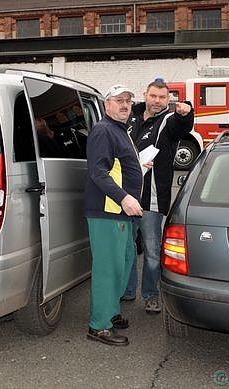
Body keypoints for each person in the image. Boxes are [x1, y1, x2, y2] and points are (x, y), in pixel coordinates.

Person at [123, 78, 194, 313]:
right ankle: (128, 289)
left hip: (151, 199)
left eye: (162, 97)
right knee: (127, 248)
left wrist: (185, 114)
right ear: (146, 95)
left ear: (168, 100)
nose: (157, 101)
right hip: (125, 196)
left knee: (153, 252)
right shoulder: (130, 117)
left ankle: (151, 295)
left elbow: (180, 127)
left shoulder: (168, 120)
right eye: (153, 96)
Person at [83, 84, 144, 346]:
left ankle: (111, 312)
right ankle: (99, 326)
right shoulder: (103, 130)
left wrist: (140, 166)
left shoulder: (119, 130)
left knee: (124, 262)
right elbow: (98, 172)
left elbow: (117, 166)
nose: (125, 105)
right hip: (108, 211)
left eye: (128, 101)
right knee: (108, 268)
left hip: (120, 212)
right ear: (107, 104)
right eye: (119, 100)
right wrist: (124, 197)